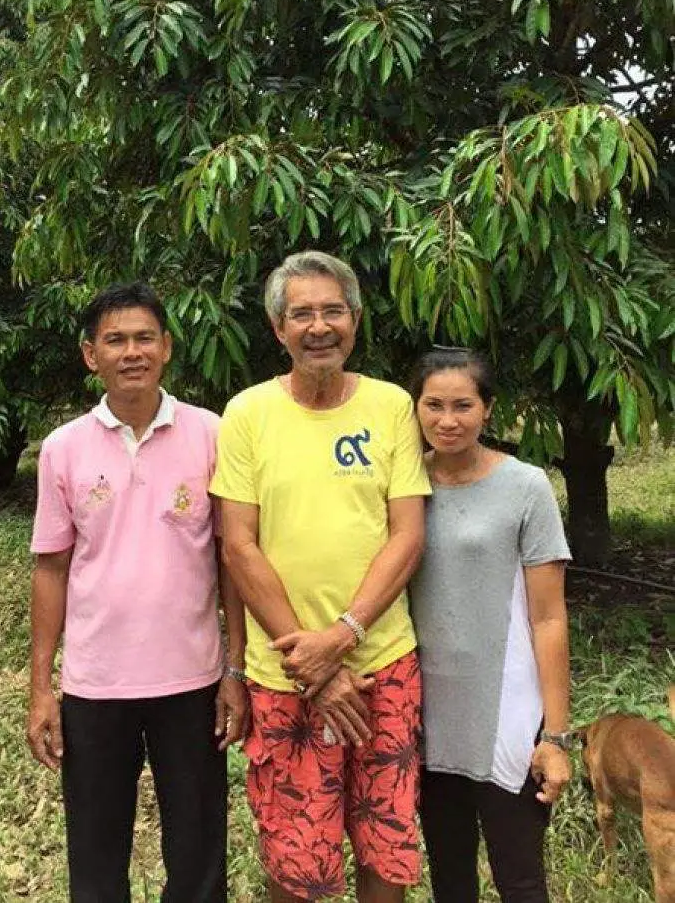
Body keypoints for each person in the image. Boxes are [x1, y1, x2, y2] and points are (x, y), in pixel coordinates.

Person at [210, 251, 431, 903]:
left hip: (383, 665)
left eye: (333, 310)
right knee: (295, 852)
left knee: (386, 840)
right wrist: (316, 667)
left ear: (355, 321)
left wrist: (342, 635)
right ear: (278, 328)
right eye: (301, 313)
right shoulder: (247, 413)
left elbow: (407, 534)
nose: (319, 326)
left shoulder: (391, 406)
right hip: (285, 674)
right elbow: (239, 546)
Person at [26, 281, 248, 903]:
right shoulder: (63, 448)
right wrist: (41, 688)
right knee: (96, 860)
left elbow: (232, 559)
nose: (132, 352)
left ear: (167, 347)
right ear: (90, 354)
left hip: (193, 681)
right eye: (115, 340)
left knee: (199, 858)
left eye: (145, 338)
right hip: (96, 686)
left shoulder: (211, 434)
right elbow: (51, 568)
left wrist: (235, 669)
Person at [408, 347, 572, 903]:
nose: (447, 420)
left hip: (507, 712)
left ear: (488, 409)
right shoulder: (403, 484)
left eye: (463, 406)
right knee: (449, 876)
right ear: (416, 408)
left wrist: (555, 736)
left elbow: (549, 617)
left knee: (519, 877)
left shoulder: (525, 487)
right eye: (433, 405)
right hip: (426, 713)